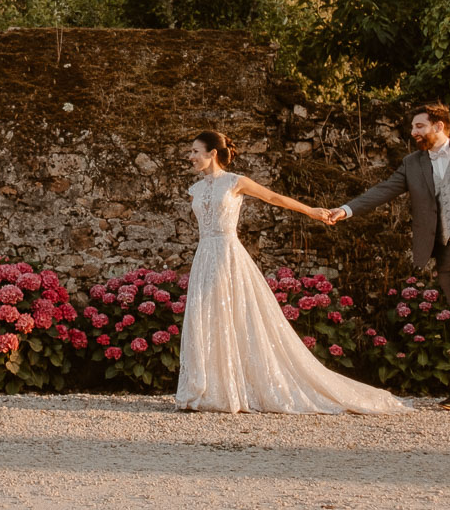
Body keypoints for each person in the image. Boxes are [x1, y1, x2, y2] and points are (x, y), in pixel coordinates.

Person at [174, 130, 408, 415]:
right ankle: (210, 387)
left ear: (212, 153)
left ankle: (236, 389)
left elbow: (273, 198)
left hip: (227, 254)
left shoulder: (236, 182)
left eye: (195, 151)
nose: (190, 156)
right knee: (206, 316)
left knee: (234, 315)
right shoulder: (195, 190)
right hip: (204, 255)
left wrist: (311, 211)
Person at [319, 102, 450, 411]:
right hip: (442, 250)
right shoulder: (413, 163)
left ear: (439, 126)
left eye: (419, 126)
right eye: (413, 127)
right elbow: (383, 190)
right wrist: (345, 210)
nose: (413, 132)